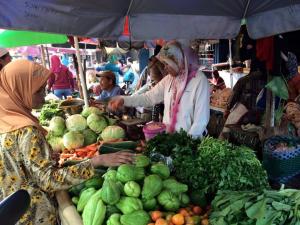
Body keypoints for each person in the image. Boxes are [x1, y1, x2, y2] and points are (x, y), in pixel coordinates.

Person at [0, 60, 134, 225]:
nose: (45, 93)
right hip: (34, 214)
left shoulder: (5, 121)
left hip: (10, 214)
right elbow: (48, 180)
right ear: (20, 90)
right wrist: (96, 161)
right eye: (38, 90)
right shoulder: (26, 131)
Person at [109, 41, 210, 138]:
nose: (165, 68)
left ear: (178, 61)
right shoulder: (169, 79)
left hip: (190, 144)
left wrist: (187, 144)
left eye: (167, 64)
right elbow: (148, 98)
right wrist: (124, 100)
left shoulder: (199, 80)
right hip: (169, 140)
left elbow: (201, 120)